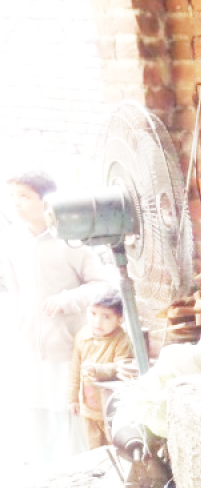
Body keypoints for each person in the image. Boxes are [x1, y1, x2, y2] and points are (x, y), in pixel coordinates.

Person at [0, 169, 112, 466]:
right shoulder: (11, 241)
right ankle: (41, 475)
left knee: (72, 417)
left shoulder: (71, 239)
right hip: (29, 347)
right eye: (13, 196)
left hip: (68, 346)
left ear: (46, 200)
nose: (16, 203)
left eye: (24, 196)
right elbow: (14, 291)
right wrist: (18, 326)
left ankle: (79, 474)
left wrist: (67, 300)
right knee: (35, 417)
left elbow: (102, 285)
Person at [68, 284, 134, 449]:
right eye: (93, 313)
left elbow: (121, 367)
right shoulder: (83, 336)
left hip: (110, 409)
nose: (97, 321)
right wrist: (73, 398)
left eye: (106, 316)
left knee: (114, 446)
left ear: (119, 319)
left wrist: (98, 370)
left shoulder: (122, 340)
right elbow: (75, 369)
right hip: (88, 408)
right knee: (94, 448)